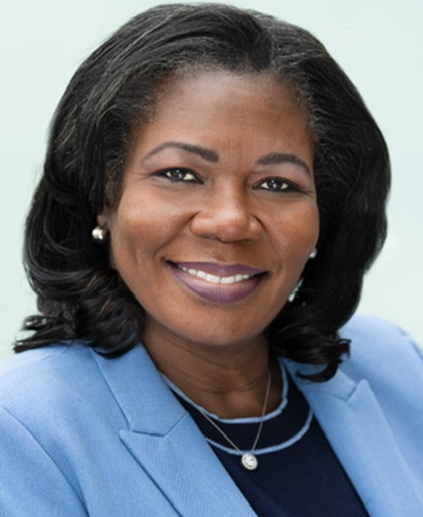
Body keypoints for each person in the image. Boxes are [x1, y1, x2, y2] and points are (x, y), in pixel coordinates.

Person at [0, 3, 422, 516]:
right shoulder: (23, 430)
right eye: (180, 174)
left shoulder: (399, 367)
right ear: (104, 197)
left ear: (323, 216)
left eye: (277, 184)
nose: (230, 221)